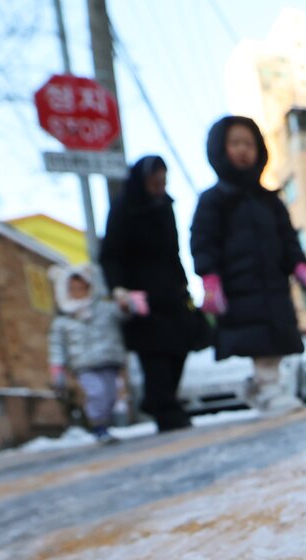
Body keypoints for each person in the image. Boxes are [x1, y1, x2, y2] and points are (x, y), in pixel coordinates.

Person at [190, 115, 306, 415]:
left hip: (273, 284)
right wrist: (210, 278)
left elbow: (288, 238)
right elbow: (203, 240)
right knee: (260, 343)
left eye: (249, 143)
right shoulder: (214, 200)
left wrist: (299, 267)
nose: (243, 150)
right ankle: (270, 389)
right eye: (235, 143)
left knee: (276, 338)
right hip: (238, 286)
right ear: (220, 149)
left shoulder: (270, 200)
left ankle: (260, 387)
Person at [100, 155, 203, 433]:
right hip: (140, 296)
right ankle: (167, 411)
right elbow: (110, 254)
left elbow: (174, 251)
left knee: (180, 347)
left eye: (163, 181)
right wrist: (118, 288)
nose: (160, 186)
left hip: (171, 291)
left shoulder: (165, 206)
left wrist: (185, 287)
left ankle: (157, 400)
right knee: (155, 353)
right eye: (155, 181)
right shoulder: (124, 208)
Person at [47, 264, 129, 445]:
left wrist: (126, 303)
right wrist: (57, 369)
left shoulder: (103, 308)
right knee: (96, 393)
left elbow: (124, 313)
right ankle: (98, 427)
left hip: (108, 359)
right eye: (73, 289)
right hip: (83, 365)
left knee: (110, 396)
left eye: (82, 288)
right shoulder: (63, 321)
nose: (78, 292)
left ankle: (103, 424)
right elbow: (57, 346)